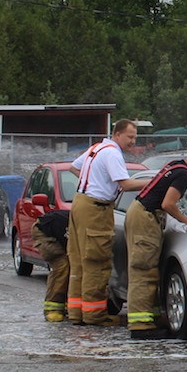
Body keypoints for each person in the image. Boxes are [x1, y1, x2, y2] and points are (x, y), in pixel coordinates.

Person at [125, 142, 187, 339]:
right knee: (143, 269)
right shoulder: (183, 174)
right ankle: (140, 327)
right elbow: (168, 203)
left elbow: (171, 181)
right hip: (145, 217)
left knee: (149, 269)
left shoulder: (177, 166)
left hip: (139, 212)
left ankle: (150, 320)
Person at [67, 120, 144, 326]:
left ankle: (76, 312)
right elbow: (126, 185)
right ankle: (94, 315)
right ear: (117, 134)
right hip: (96, 209)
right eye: (130, 137)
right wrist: (156, 182)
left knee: (79, 261)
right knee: (96, 262)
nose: (133, 141)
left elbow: (75, 168)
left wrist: (94, 182)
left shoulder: (98, 148)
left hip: (80, 204)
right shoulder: (112, 153)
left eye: (135, 137)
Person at [32, 207, 70, 322]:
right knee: (62, 266)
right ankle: (52, 309)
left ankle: (66, 304)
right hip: (43, 233)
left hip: (54, 231)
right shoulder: (75, 224)